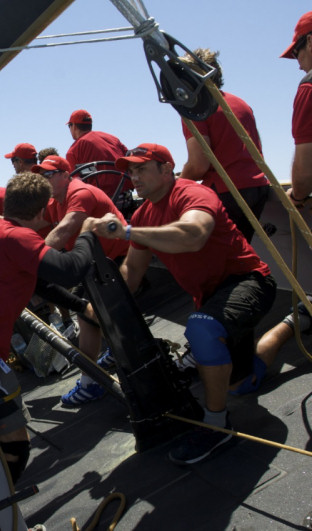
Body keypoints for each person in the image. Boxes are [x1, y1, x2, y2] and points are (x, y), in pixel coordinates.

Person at [90, 143, 276, 465]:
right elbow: (131, 273)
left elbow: (193, 235)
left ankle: (218, 427)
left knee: (202, 328)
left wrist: (128, 231)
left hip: (249, 282)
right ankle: (294, 322)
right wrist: (97, 310)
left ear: (166, 168)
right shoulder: (145, 214)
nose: (134, 177)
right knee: (240, 383)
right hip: (212, 300)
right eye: (130, 172)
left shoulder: (191, 194)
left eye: (141, 169)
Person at [0, 172, 97, 483]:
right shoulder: (17, 237)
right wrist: (88, 232)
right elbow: (70, 271)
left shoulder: (3, 232)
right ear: (41, 212)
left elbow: (39, 282)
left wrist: (80, 307)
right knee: (15, 449)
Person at [34, 156, 129, 404]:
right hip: (93, 262)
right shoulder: (56, 201)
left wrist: (31, 263)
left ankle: (93, 380)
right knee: (86, 313)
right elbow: (34, 224)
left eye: (48, 175)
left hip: (115, 260)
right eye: (40, 177)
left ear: (65, 174)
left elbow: (64, 230)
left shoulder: (79, 192)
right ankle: (113, 357)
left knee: (87, 315)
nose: (43, 180)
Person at [178, 49, 270, 242]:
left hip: (229, 191)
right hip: (257, 187)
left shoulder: (195, 109)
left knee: (218, 260)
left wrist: (176, 186)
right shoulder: (240, 103)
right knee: (241, 251)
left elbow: (198, 166)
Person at [65, 109, 132, 200]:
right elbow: (129, 158)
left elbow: (74, 184)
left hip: (99, 201)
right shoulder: (112, 138)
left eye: (69, 126)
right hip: (126, 196)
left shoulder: (73, 151)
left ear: (74, 127)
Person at [281, 11, 312, 207]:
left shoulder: (309, 87)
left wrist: (296, 196)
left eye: (295, 53)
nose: (298, 65)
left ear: (310, 42)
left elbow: (304, 174)